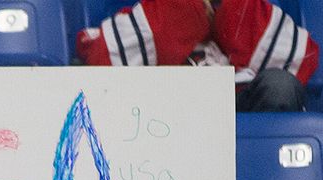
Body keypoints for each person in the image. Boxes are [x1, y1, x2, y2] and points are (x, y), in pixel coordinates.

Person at [76, 0, 319, 112]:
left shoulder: (246, 7)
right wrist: (186, 10)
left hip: (237, 120)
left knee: (280, 86)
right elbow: (98, 61)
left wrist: (224, 9)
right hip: (160, 117)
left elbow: (301, 59)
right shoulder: (149, 13)